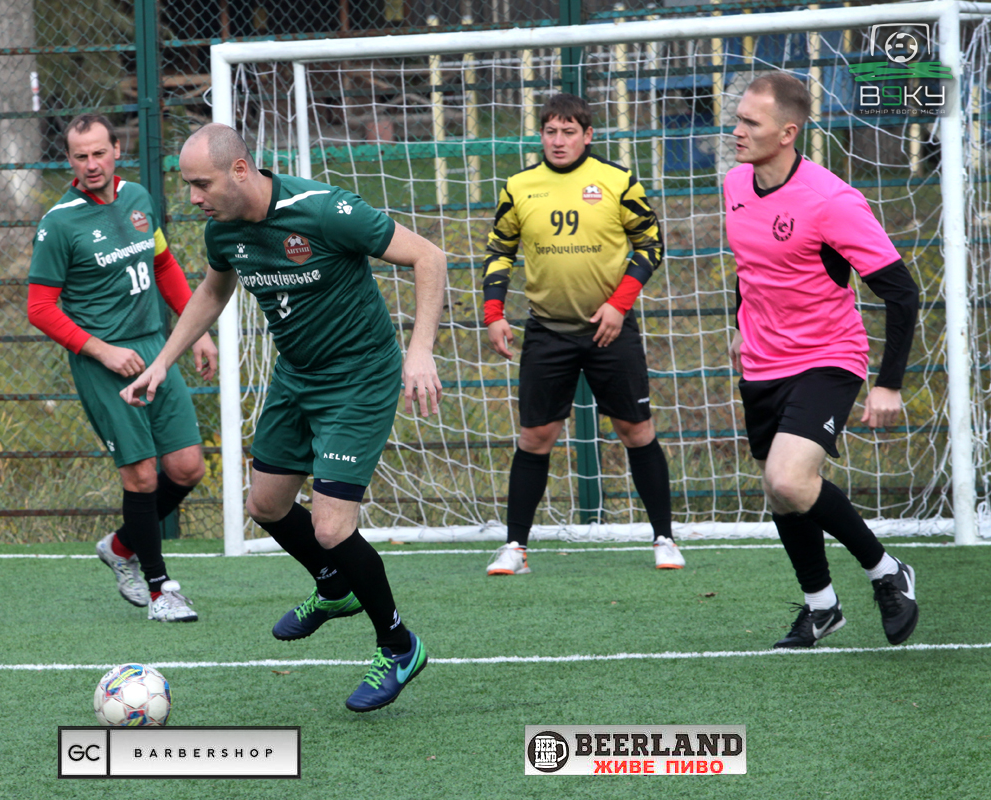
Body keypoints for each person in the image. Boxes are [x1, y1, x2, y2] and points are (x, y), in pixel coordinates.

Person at [122, 124, 447, 712]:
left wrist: (420, 350)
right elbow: (212, 292)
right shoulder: (223, 230)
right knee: (266, 506)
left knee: (331, 528)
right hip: (296, 376)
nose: (193, 197)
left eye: (201, 183)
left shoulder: (324, 210)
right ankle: (333, 586)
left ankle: (399, 646)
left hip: (358, 378)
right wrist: (162, 362)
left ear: (240, 170)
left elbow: (429, 256)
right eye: (188, 184)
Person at [725, 74, 921, 648]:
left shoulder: (831, 201)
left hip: (827, 357)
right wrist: (739, 324)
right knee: (778, 490)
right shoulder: (735, 183)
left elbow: (901, 292)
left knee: (788, 478)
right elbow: (749, 265)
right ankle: (821, 607)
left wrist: (888, 384)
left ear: (788, 133)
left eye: (751, 122)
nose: (737, 131)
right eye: (738, 119)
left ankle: (887, 571)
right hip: (762, 361)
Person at [481, 92, 682, 576]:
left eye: (569, 132)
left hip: (610, 329)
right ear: (541, 135)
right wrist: (493, 313)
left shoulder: (617, 180)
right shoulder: (519, 186)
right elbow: (500, 250)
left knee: (636, 431)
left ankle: (664, 538)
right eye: (551, 131)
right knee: (535, 437)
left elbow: (650, 243)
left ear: (587, 135)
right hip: (547, 331)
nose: (559, 140)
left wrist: (619, 304)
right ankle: (515, 547)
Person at [28, 113, 217, 622]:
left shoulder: (137, 199)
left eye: (99, 153)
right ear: (69, 160)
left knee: (187, 468)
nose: (91, 164)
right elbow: (40, 308)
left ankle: (119, 547)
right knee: (141, 476)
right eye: (80, 156)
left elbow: (163, 265)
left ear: (117, 149)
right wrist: (101, 350)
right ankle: (160, 592)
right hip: (104, 363)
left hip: (156, 348)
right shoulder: (59, 223)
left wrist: (194, 331)